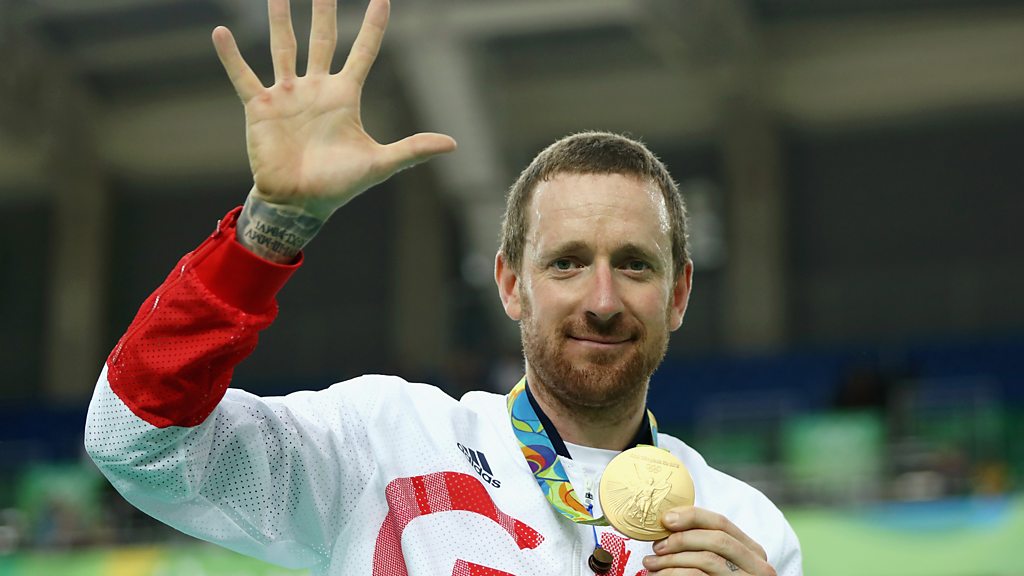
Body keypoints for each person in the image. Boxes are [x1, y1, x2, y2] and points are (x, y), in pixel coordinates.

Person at [84, 0, 802, 574]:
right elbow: (135, 442)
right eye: (566, 263)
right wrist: (267, 233)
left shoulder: (744, 531)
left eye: (635, 265)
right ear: (510, 284)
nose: (603, 300)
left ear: (678, 294)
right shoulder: (382, 443)